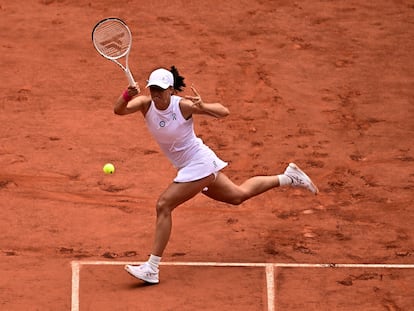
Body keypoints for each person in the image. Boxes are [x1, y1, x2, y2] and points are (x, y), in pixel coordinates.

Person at [115, 66, 318, 284]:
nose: (156, 94)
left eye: (161, 90)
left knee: (164, 205)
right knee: (237, 196)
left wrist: (204, 107)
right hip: (190, 166)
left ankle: (152, 268)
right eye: (153, 89)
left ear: (171, 90)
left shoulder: (182, 106)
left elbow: (224, 111)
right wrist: (127, 94)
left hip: (199, 162)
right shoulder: (145, 105)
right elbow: (119, 110)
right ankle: (289, 177)